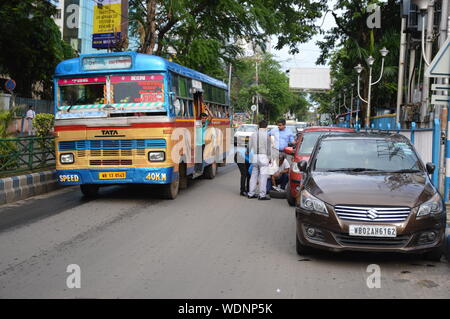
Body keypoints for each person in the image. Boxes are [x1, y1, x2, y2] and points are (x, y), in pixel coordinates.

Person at [247, 120, 272, 200]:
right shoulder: (267, 135)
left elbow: (248, 147)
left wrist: (248, 152)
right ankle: (262, 195)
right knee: (263, 176)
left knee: (253, 176)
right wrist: (269, 158)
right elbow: (269, 148)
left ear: (259, 125)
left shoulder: (253, 134)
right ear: (266, 126)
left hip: (255, 156)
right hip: (263, 156)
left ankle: (251, 193)